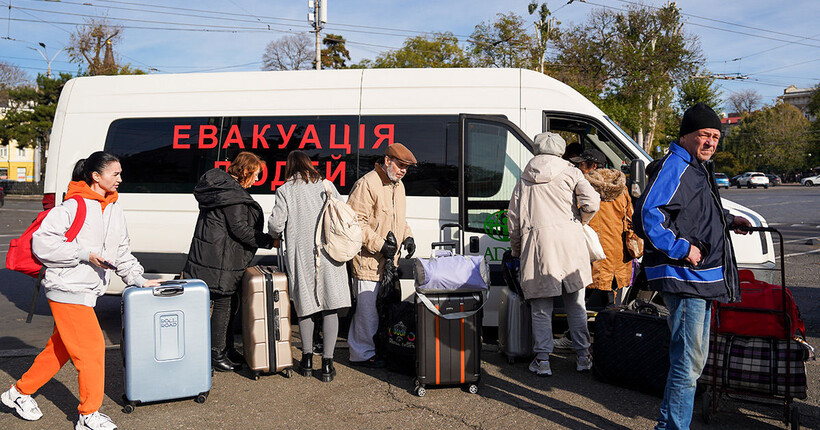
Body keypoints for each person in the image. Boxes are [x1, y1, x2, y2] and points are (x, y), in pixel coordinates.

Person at [1, 151, 162, 430]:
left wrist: (139, 279)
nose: (121, 179)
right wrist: (84, 254)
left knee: (59, 350)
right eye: (116, 174)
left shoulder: (113, 208)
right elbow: (42, 244)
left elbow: (121, 251)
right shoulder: (72, 207)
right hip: (67, 288)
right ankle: (88, 416)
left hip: (85, 290)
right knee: (92, 350)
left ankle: (17, 394)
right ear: (96, 176)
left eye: (120, 173)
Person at [634, 102, 751, 430]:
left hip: (699, 279)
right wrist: (682, 248)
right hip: (686, 277)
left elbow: (697, 213)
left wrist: (729, 220)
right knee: (687, 365)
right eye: (704, 135)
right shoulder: (677, 165)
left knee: (691, 362)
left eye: (715, 136)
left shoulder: (697, 167)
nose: (711, 142)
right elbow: (650, 214)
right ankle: (670, 427)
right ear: (686, 136)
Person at [507, 132, 600, 377]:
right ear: (560, 150)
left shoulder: (524, 178)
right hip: (570, 241)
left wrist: (517, 250)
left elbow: (514, 220)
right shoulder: (572, 171)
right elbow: (591, 201)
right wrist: (581, 220)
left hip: (537, 245)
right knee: (576, 304)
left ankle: (543, 360)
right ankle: (583, 356)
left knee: (541, 307)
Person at [183, 152, 275, 373]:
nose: (256, 180)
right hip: (220, 257)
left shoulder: (222, 190)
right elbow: (240, 229)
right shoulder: (232, 195)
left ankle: (226, 348)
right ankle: (216, 353)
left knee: (229, 301)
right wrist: (270, 241)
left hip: (214, 254)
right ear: (245, 171)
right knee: (223, 303)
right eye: (255, 175)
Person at [268, 150, 352, 382]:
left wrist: (274, 234)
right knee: (330, 307)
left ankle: (306, 361)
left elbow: (276, 224)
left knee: (305, 306)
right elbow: (343, 215)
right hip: (330, 253)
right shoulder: (326, 186)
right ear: (309, 164)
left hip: (301, 255)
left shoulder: (285, 190)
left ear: (289, 167)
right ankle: (327, 364)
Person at [346, 143, 417, 368]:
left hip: (389, 262)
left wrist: (408, 237)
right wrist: (380, 245)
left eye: (406, 167)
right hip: (368, 261)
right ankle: (361, 354)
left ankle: (378, 350)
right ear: (387, 161)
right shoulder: (367, 184)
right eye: (400, 165)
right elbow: (355, 223)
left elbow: (398, 218)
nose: (403, 170)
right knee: (367, 312)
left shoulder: (398, 185)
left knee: (384, 310)